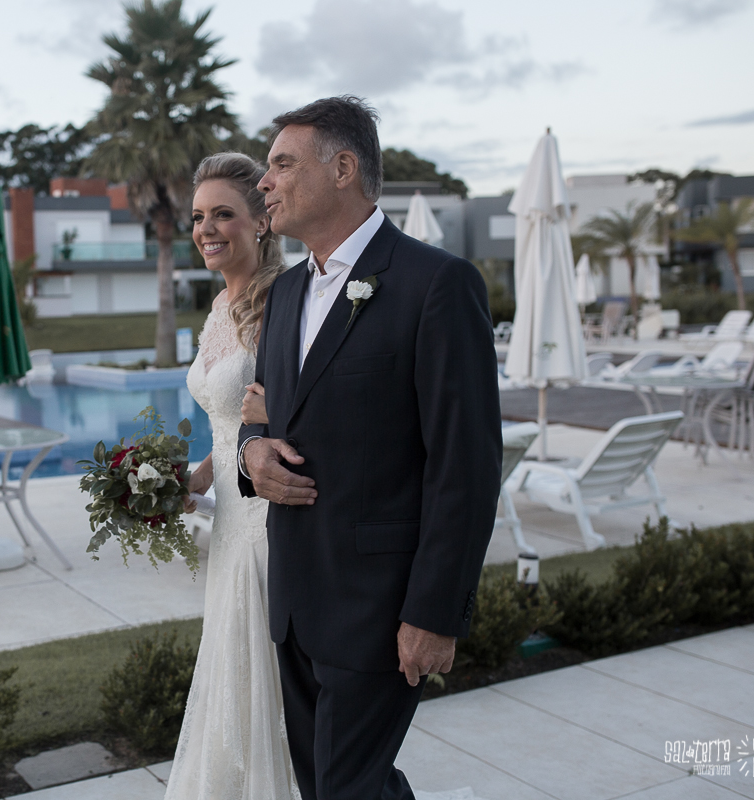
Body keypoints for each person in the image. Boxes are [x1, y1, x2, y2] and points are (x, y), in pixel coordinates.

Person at [238, 96, 502, 800]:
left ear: (344, 168)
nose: (264, 182)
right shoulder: (287, 291)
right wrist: (250, 453)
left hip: (381, 608)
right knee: (331, 782)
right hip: (294, 598)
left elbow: (466, 464)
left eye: (282, 164)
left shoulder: (436, 284)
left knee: (346, 788)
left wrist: (434, 612)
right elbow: (259, 405)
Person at [166, 152, 301, 799]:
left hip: (266, 525)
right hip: (225, 522)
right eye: (198, 216)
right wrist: (191, 479)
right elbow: (231, 426)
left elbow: (292, 417)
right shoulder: (221, 306)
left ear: (261, 222)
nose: (207, 228)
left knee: (263, 678)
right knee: (229, 668)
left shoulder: (287, 302)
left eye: (223, 214)